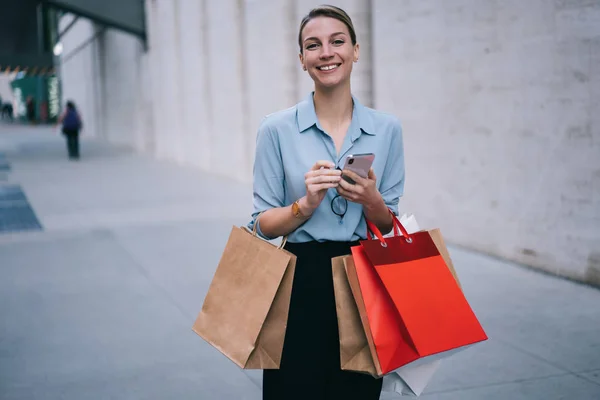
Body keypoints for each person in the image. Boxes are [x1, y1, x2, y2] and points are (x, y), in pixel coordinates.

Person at [248, 5, 405, 400]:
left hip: (363, 278)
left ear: (355, 50)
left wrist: (372, 201)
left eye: (337, 41)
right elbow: (260, 225)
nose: (326, 52)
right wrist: (305, 205)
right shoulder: (275, 129)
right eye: (313, 45)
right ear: (302, 60)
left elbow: (390, 226)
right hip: (297, 281)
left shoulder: (387, 129)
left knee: (357, 394)